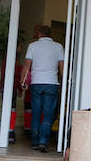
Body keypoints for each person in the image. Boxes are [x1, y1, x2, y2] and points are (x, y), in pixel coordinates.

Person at [23, 24, 64, 153]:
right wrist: (65, 83)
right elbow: (62, 67)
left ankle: (34, 141)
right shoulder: (58, 47)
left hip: (36, 83)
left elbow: (27, 65)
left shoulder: (32, 46)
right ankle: (43, 141)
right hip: (51, 83)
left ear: (39, 33)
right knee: (48, 113)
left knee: (36, 112)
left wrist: (23, 81)